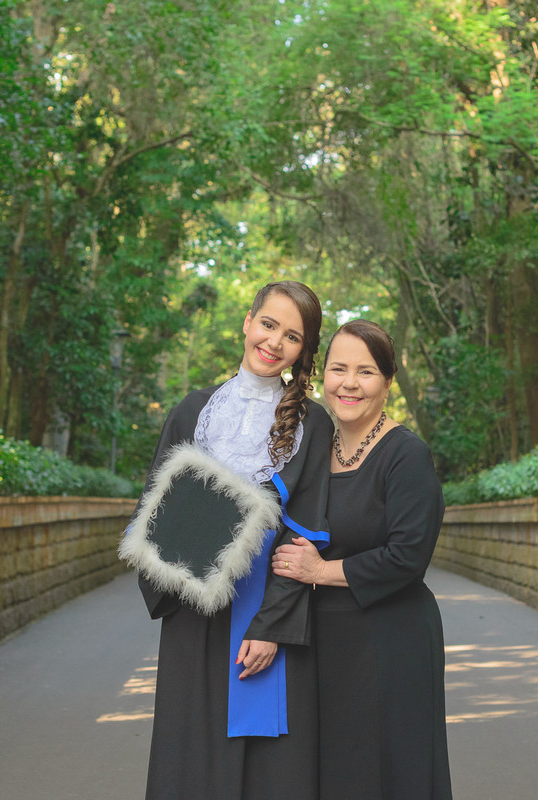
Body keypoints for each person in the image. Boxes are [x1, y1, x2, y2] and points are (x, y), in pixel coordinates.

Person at [131, 281, 332, 800]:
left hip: (263, 608)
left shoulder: (314, 426)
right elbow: (153, 508)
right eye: (268, 324)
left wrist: (272, 626)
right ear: (247, 322)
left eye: (292, 336)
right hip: (191, 612)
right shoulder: (192, 410)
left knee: (268, 767)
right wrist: (175, 580)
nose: (274, 342)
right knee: (190, 756)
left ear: (303, 351)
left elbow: (305, 534)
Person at [273, 319, 452, 800]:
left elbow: (407, 557)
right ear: (322, 376)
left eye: (366, 372)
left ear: (388, 382)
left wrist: (318, 571)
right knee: (338, 772)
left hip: (391, 639)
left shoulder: (406, 455)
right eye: (338, 369)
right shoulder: (314, 449)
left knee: (392, 772)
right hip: (327, 642)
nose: (349, 383)